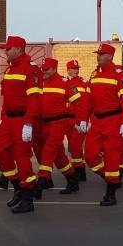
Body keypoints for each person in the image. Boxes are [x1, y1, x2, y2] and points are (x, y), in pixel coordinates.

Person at [0, 36, 42, 213]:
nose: (5, 51)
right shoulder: (10, 69)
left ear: (18, 49)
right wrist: (3, 117)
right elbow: (7, 98)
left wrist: (28, 123)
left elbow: (34, 99)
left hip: (22, 119)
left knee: (22, 158)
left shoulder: (31, 69)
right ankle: (18, 186)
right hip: (9, 119)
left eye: (8, 49)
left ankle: (27, 198)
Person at [85, 43, 123, 206]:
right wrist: (83, 118)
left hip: (113, 120)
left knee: (111, 156)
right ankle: (111, 179)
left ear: (110, 56)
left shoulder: (118, 75)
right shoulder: (94, 73)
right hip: (97, 121)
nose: (98, 56)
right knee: (90, 155)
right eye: (98, 53)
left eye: (101, 54)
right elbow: (88, 99)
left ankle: (110, 193)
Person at [34, 58, 87, 195]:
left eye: (47, 69)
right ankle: (72, 180)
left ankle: (40, 182)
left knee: (49, 150)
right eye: (42, 69)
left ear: (54, 69)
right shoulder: (39, 81)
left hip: (58, 123)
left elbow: (80, 102)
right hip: (42, 123)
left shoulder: (65, 83)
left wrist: (81, 120)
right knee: (58, 156)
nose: (43, 71)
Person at [65, 60, 89, 182]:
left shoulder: (83, 83)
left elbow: (86, 103)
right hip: (67, 119)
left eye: (77, 68)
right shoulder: (64, 82)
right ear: (68, 69)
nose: (76, 70)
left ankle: (79, 172)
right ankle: (78, 170)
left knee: (76, 146)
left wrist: (84, 120)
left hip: (78, 118)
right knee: (72, 147)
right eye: (74, 68)